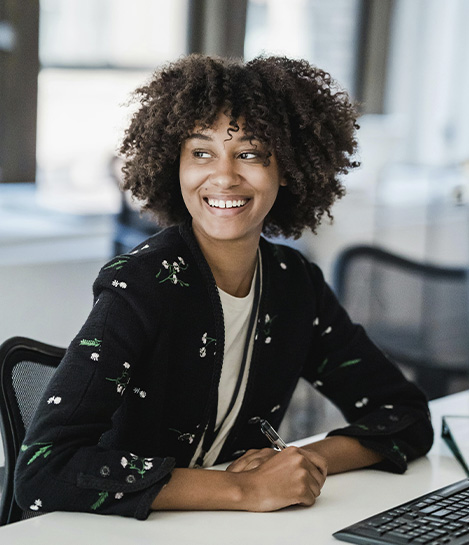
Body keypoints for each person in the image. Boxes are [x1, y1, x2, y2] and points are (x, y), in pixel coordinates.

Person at [15, 54, 433, 520]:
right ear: (174, 163)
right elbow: (42, 470)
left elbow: (406, 413)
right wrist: (244, 491)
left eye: (250, 154)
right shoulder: (142, 285)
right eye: (201, 152)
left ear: (289, 169)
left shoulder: (295, 284)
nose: (225, 175)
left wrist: (306, 462)